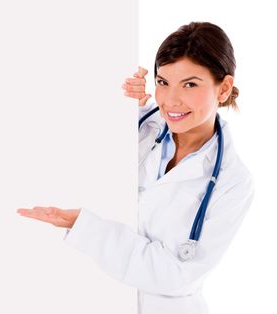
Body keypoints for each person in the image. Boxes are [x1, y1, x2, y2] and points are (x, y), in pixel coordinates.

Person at [16, 21, 254, 314]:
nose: (170, 100)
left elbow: (177, 277)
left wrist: (86, 227)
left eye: (190, 84)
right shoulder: (141, 127)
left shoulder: (234, 181)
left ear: (224, 88)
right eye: (163, 82)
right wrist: (117, 101)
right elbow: (71, 137)